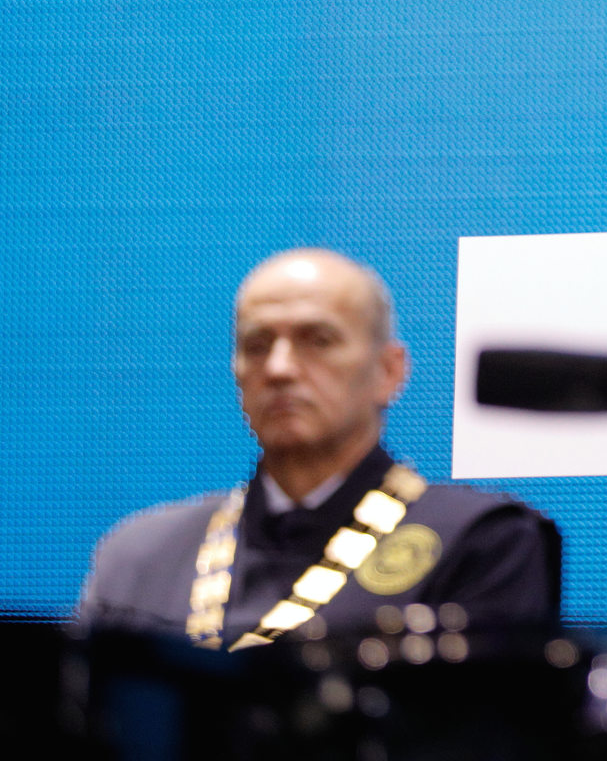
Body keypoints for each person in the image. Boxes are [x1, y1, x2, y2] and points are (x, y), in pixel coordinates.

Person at [80, 249, 559, 647]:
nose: (280, 368)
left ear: (388, 371)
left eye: (318, 340)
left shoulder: (479, 542)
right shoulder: (139, 557)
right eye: (257, 344)